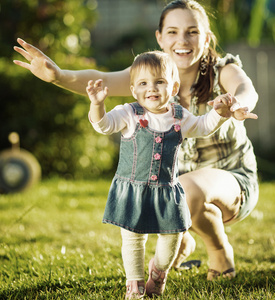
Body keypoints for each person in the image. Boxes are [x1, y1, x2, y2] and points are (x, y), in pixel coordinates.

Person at [14, 0, 259, 282]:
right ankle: (182, 240)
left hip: (231, 181)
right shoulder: (150, 79)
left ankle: (219, 250)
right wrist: (58, 75)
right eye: (173, 32)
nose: (183, 40)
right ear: (160, 37)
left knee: (187, 187)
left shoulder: (222, 70)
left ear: (206, 37)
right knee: (180, 189)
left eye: (192, 31)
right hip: (173, 188)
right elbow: (100, 80)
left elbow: (245, 88)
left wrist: (236, 104)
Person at [86, 50, 256, 299]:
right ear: (134, 90)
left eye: (160, 82)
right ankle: (134, 286)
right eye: (143, 83)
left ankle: (159, 270)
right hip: (132, 189)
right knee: (133, 241)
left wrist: (220, 113)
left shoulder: (179, 116)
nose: (151, 88)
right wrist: (97, 104)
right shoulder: (129, 113)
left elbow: (203, 126)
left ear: (173, 86)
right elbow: (103, 125)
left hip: (167, 190)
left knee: (172, 236)